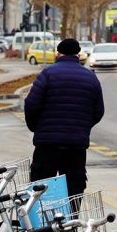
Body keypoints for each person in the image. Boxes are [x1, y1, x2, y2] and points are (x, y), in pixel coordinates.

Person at [23, 38, 104, 197]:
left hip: (47, 144)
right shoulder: (90, 78)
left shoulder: (47, 74)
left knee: (41, 188)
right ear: (78, 54)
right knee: (74, 188)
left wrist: (36, 128)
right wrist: (82, 128)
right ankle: (72, 220)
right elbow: (98, 111)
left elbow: (31, 104)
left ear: (58, 53)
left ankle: (42, 220)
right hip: (76, 145)